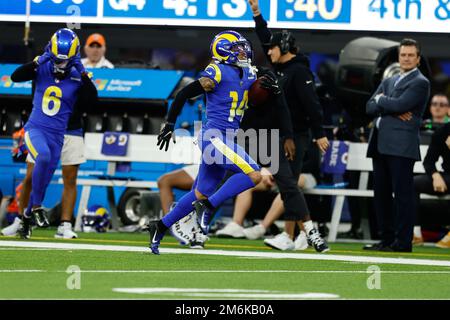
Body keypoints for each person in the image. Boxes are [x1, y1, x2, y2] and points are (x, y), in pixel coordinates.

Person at [144, 30, 283, 255]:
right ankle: (208, 207)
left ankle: (159, 226)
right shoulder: (216, 71)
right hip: (214, 137)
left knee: (200, 192)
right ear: (223, 51)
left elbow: (262, 84)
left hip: (228, 138)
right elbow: (183, 95)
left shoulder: (247, 72)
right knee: (254, 175)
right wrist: (170, 124)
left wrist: (273, 88)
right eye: (236, 48)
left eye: (242, 47)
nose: (242, 51)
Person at [247, 0, 330, 252]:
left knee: (289, 185)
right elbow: (264, 38)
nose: (268, 51)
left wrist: (319, 134)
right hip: (282, 135)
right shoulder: (281, 68)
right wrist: (257, 14)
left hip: (296, 136)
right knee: (288, 185)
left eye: (272, 48)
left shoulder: (300, 72)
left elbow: (312, 104)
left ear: (283, 47)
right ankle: (293, 235)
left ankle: (299, 233)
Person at [7, 28, 97, 239]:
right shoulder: (43, 65)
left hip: (66, 130)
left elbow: (92, 101)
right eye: (56, 58)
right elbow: (16, 76)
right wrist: (39, 61)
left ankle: (44, 221)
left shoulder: (77, 73)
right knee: (34, 170)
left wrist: (83, 74)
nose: (60, 64)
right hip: (38, 128)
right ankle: (31, 211)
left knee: (56, 178)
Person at [364, 38, 430, 252]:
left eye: (411, 55)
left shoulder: (421, 82)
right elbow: (368, 107)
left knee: (402, 197)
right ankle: (386, 240)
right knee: (381, 194)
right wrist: (389, 106)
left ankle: (403, 243)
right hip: (380, 143)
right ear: (399, 57)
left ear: (418, 59)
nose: (407, 58)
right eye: (403, 55)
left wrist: (383, 101)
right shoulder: (390, 80)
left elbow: (401, 104)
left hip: (401, 146)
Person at [413, 122, 450, 248]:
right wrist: (435, 175)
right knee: (412, 183)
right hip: (447, 177)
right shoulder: (442, 131)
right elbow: (429, 161)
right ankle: (415, 233)